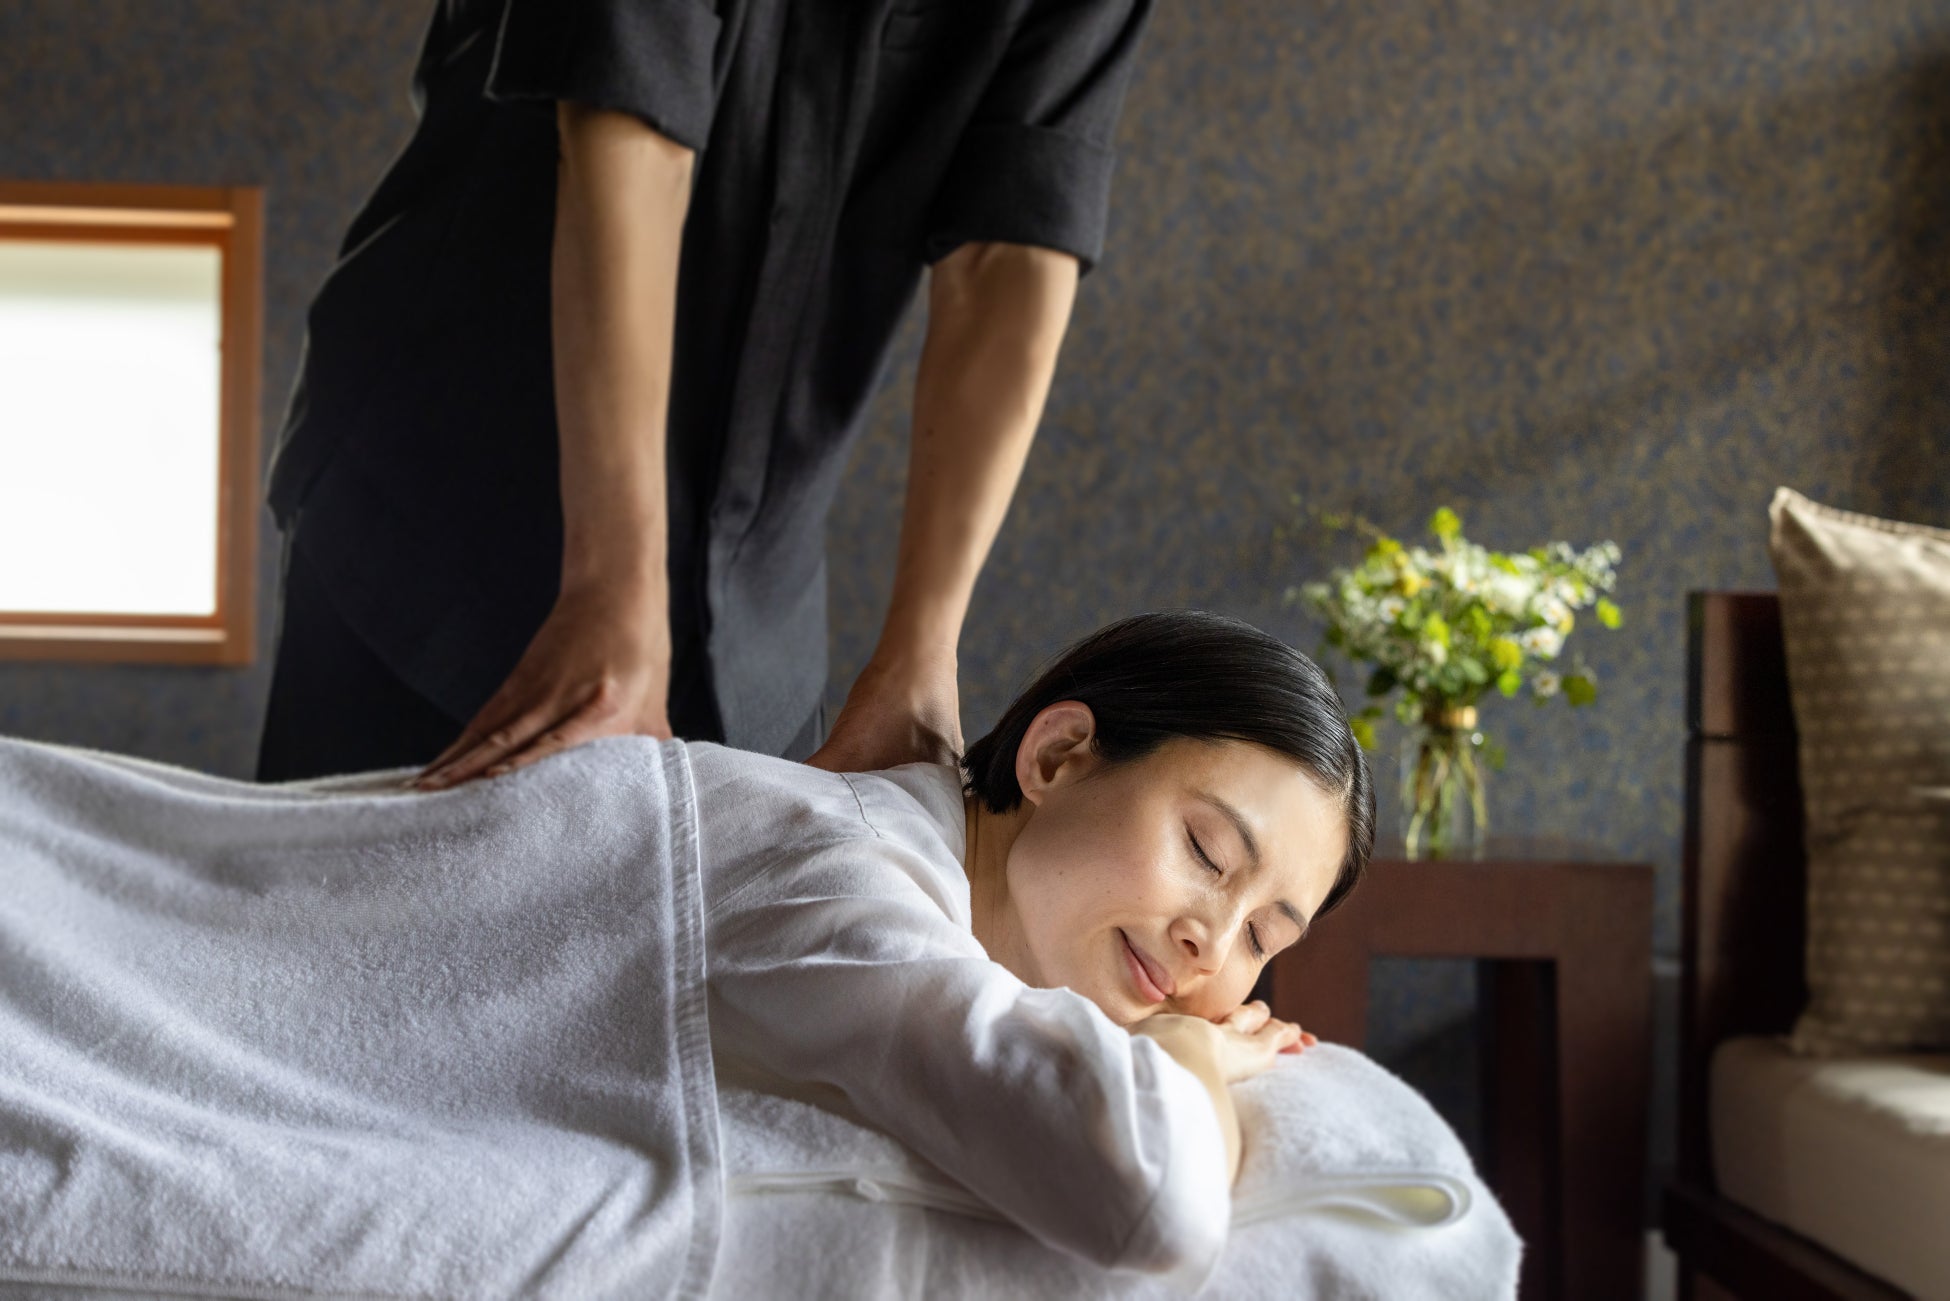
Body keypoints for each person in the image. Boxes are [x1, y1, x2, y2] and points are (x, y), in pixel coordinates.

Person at [0, 610, 1376, 1284]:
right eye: (1208, 851)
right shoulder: (839, 874)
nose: (1212, 937)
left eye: (1267, 933)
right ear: (1059, 753)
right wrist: (1189, 1048)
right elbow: (1145, 1192)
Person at [255, 0, 1160, 786]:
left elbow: (1010, 249)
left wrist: (920, 657)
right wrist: (613, 587)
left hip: (757, 629)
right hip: (441, 533)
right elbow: (631, 115)